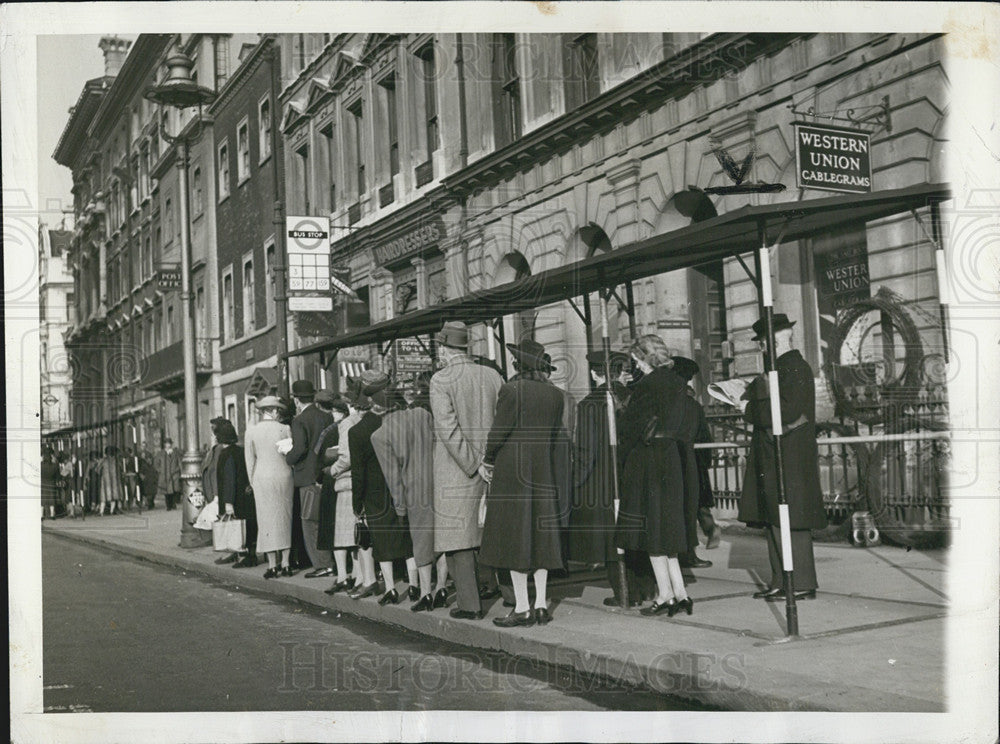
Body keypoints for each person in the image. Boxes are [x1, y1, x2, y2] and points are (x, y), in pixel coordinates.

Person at [739, 314, 827, 601]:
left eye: (763, 343)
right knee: (775, 518)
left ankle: (800, 581)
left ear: (775, 340)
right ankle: (781, 579)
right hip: (778, 453)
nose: (762, 349)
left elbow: (786, 412)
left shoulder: (793, 368)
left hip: (788, 455)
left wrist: (751, 408)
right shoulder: (783, 369)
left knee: (791, 519)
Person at [478, 339, 565, 628]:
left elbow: (498, 431)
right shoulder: (555, 395)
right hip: (543, 470)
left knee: (513, 539)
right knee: (540, 540)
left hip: (512, 472)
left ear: (517, 365)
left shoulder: (511, 390)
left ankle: (523, 608)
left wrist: (487, 460)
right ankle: (541, 605)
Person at [616, 334, 700, 618]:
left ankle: (664, 596)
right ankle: (681, 593)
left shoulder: (645, 386)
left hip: (647, 459)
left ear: (642, 358)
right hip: (671, 457)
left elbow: (630, 429)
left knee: (652, 530)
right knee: (668, 529)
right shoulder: (678, 384)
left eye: (636, 359)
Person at [568, 350, 655, 607]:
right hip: (635, 474)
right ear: (619, 372)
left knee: (612, 539)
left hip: (604, 482)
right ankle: (644, 589)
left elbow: (586, 451)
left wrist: (576, 482)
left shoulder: (588, 405)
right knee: (636, 533)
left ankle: (624, 592)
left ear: (594, 373)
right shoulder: (635, 397)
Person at [429, 321, 503, 621]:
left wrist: (474, 464)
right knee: (492, 532)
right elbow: (502, 420)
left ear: (445, 349)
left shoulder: (441, 379)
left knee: (457, 539)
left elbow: (447, 429)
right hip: (493, 465)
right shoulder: (492, 375)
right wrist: (490, 461)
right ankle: (506, 594)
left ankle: (470, 604)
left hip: (457, 469)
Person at [373, 376, 448, 612]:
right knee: (444, 538)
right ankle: (443, 587)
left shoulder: (380, 435)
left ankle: (426, 593)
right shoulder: (422, 415)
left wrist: (400, 507)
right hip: (440, 482)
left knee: (422, 543)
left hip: (414, 490)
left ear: (377, 409)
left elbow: (393, 477)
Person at [349, 373, 415, 605]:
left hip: (374, 493)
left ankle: (391, 588)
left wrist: (357, 504)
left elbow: (358, 473)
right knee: (407, 536)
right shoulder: (400, 422)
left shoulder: (356, 432)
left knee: (383, 540)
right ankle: (415, 585)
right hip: (403, 485)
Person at [671, 356, 721, 568]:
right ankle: (689, 554)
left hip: (673, 462)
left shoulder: (668, 402)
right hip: (693, 463)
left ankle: (682, 553)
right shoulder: (693, 405)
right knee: (692, 508)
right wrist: (704, 464)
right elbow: (703, 436)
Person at [285, 380, 336, 579]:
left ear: (297, 400)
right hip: (327, 473)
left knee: (310, 522)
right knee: (326, 520)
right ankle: (333, 561)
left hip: (307, 476)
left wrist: (287, 457)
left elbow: (299, 449)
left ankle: (323, 564)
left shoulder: (299, 420)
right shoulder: (327, 416)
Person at [244, 396, 296, 579]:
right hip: (283, 476)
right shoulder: (284, 429)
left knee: (265, 520)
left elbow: (249, 460)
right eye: (277, 411)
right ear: (273, 411)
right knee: (285, 517)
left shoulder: (251, 431)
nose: (278, 414)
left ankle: (273, 565)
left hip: (262, 478)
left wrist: (252, 482)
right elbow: (290, 456)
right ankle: (287, 563)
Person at [216, 419, 257, 569]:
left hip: (234, 498)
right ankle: (250, 554)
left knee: (237, 528)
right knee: (249, 526)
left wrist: (228, 502)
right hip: (246, 496)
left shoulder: (225, 454)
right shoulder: (241, 451)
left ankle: (244, 557)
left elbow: (229, 479)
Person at [98, 445, 126, 516]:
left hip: (105, 481)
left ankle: (101, 511)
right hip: (115, 481)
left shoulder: (103, 460)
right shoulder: (116, 461)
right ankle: (112, 510)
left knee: (104, 496)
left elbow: (97, 470)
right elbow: (122, 469)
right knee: (115, 495)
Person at [156, 438, 182, 511]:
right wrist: (161, 471)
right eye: (167, 443)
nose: (168, 445)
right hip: (165, 475)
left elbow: (179, 463)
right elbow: (156, 464)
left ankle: (173, 504)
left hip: (174, 474)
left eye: (170, 444)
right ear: (165, 445)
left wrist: (178, 470)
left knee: (174, 490)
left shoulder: (175, 453)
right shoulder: (161, 453)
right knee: (166, 491)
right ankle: (168, 505)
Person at [41, 448, 60, 520]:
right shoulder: (54, 466)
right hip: (51, 483)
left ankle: (41, 515)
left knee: (42, 499)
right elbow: (58, 476)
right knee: (52, 498)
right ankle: (52, 515)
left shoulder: (40, 465)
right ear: (51, 456)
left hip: (42, 483)